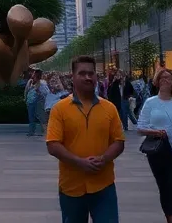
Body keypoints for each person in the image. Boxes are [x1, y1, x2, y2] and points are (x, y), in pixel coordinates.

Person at [46, 56, 125, 223]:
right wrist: (79, 162)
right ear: (72, 77)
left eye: (91, 73)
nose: (88, 77)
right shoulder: (59, 109)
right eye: (82, 73)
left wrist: (104, 159)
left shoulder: (109, 108)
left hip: (104, 186)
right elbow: (53, 145)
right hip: (71, 187)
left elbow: (119, 142)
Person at [137, 68, 172, 223]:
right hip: (157, 151)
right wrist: (155, 132)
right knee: (164, 187)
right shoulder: (150, 103)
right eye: (162, 78)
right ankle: (171, 217)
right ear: (157, 82)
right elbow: (140, 128)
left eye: (168, 78)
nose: (165, 81)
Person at [26, 69, 49, 137]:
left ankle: (45, 131)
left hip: (38, 102)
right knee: (31, 117)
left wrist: (38, 91)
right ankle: (31, 131)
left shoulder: (42, 83)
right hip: (30, 102)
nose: (32, 74)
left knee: (41, 117)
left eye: (34, 73)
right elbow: (27, 91)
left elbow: (46, 93)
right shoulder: (30, 82)